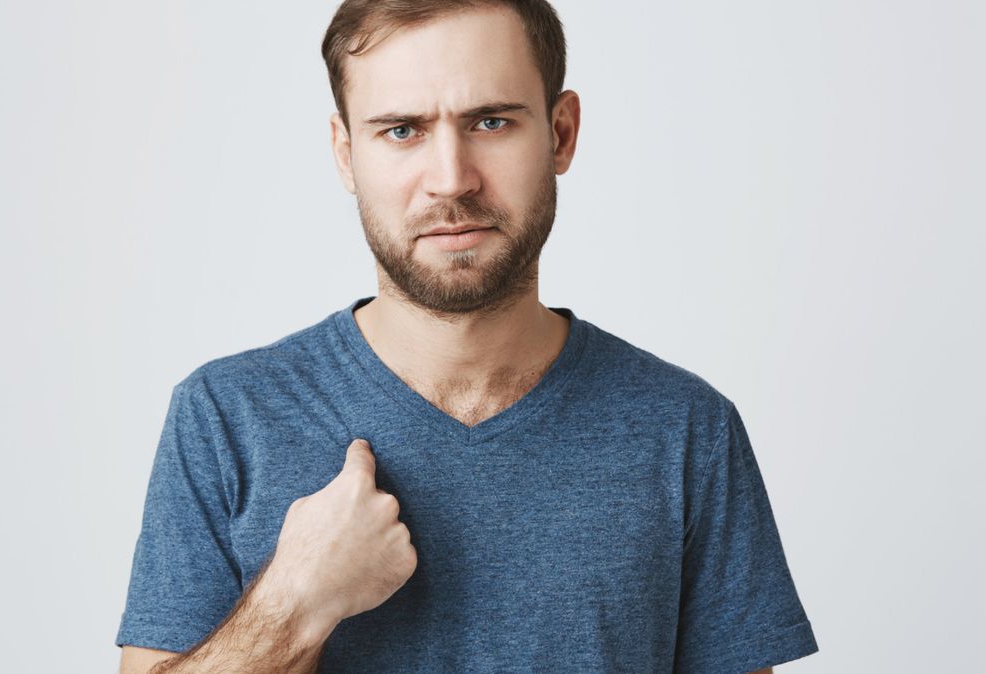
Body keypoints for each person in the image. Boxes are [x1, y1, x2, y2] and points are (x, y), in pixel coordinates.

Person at [115, 1, 819, 672]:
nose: (451, 180)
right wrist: (295, 602)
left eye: (490, 122)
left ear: (561, 133)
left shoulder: (686, 429)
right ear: (345, 153)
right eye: (402, 130)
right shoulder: (226, 417)